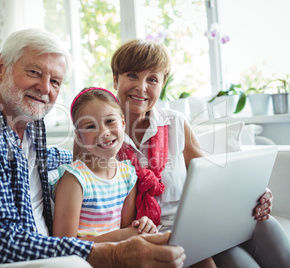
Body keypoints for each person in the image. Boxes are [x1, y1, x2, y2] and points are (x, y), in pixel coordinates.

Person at [0, 29, 186, 268]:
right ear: (1, 67)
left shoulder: (29, 122)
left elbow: (40, 161)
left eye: (55, 81)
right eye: (34, 72)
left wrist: (103, 157)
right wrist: (112, 254)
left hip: (36, 253)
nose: (44, 88)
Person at [111, 38, 290, 267]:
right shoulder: (100, 133)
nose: (142, 87)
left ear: (162, 85)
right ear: (115, 79)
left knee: (264, 222)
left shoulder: (175, 123)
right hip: (162, 236)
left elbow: (211, 179)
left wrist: (256, 194)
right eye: (132, 75)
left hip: (198, 226)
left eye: (152, 79)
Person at [51, 87, 157, 243]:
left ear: (122, 123)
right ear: (80, 136)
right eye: (90, 126)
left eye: (109, 121)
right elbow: (64, 243)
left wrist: (141, 226)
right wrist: (124, 235)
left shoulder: (128, 176)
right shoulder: (75, 180)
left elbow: (126, 228)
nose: (103, 132)